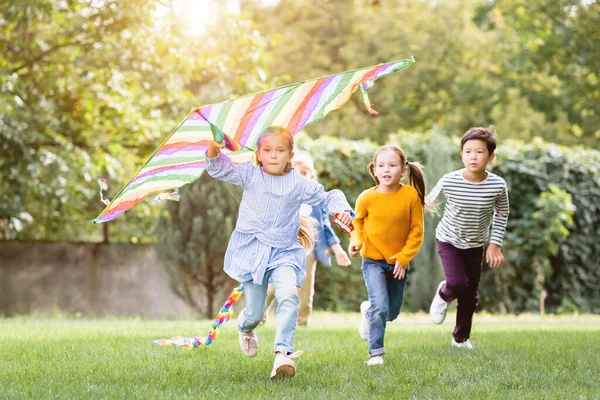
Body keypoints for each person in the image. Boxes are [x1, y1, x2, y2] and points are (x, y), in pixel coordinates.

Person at [205, 126, 354, 379]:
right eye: (268, 150)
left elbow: (327, 198)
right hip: (253, 253)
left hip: (284, 252)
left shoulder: (298, 184)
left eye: (280, 150)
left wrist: (342, 211)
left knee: (288, 296)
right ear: (259, 154)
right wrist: (213, 147)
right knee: (255, 312)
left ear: (290, 155)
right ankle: (245, 327)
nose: (274, 155)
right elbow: (218, 167)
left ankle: (282, 355)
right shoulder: (250, 175)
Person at [427, 126, 510, 350]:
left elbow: (502, 213)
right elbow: (429, 203)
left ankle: (460, 339)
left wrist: (495, 244)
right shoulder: (449, 181)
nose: (473, 156)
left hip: (475, 244)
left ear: (491, 156)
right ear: (461, 154)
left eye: (480, 152)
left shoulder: (497, 185)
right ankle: (444, 293)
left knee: (470, 295)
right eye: (468, 151)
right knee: (457, 283)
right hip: (448, 240)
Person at [348, 145, 426, 366]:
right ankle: (376, 354)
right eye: (381, 165)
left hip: (398, 263)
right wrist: (356, 242)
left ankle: (368, 312)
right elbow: (358, 223)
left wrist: (403, 258)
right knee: (380, 306)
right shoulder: (366, 198)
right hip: (372, 260)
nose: (386, 170)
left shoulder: (411, 196)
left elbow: (416, 232)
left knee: (390, 313)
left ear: (403, 170)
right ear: (374, 170)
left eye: (392, 165)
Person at [264, 151, 351, 327]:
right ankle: (258, 313)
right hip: (283, 248)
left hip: (308, 250)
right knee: (273, 284)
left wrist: (338, 249)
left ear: (311, 176)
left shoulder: (317, 201)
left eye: (305, 173)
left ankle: (301, 321)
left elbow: (325, 227)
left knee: (304, 286)